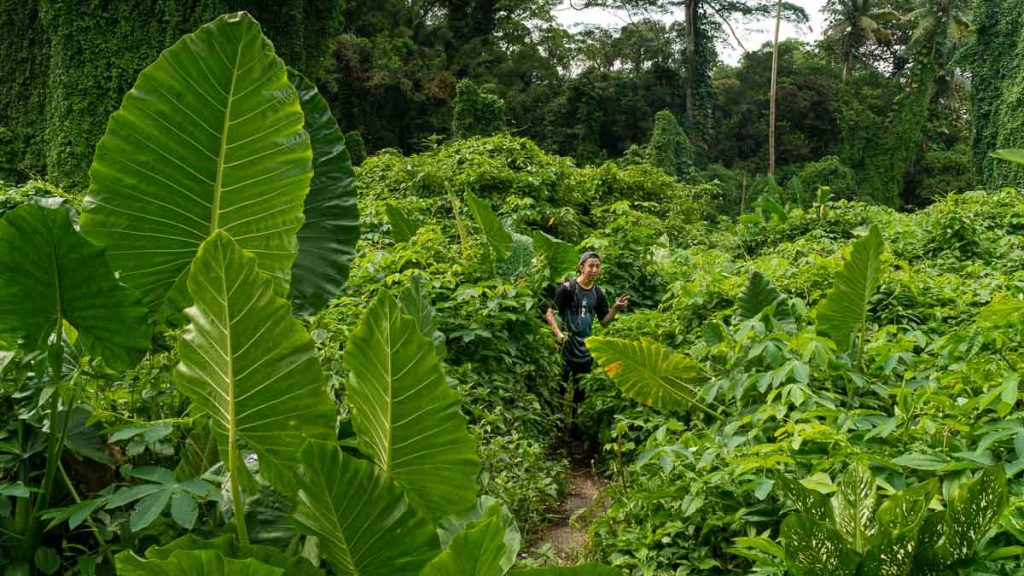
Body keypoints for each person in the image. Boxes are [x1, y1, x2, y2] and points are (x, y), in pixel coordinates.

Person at [543, 251, 628, 432]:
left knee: (580, 392)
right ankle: (556, 428)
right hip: (565, 346)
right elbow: (550, 312)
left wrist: (615, 309)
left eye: (597, 266)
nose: (594, 269)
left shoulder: (598, 293)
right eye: (590, 266)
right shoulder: (568, 289)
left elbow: (604, 322)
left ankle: (575, 428)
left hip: (585, 349)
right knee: (561, 386)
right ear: (581, 267)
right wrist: (558, 333)